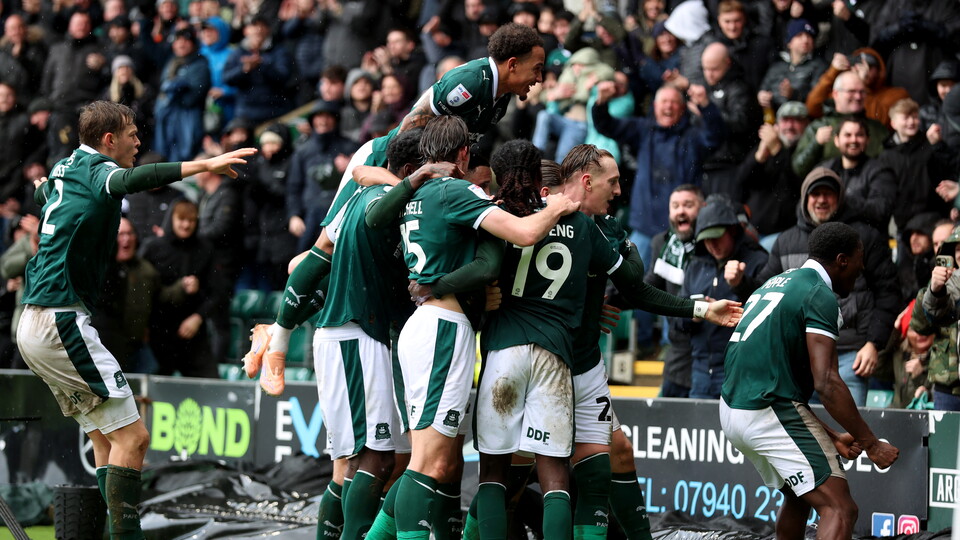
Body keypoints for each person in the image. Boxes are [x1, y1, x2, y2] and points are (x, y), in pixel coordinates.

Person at [16, 100, 253, 538]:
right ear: (109, 141)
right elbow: (137, 179)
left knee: (107, 439)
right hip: (59, 319)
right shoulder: (100, 173)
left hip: (36, 321)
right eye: (132, 133)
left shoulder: (68, 166)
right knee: (136, 438)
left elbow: (42, 192)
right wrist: (206, 164)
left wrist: (43, 188)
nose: (139, 141)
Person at [366, 116, 579, 540]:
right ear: (464, 154)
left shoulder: (417, 192)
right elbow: (520, 234)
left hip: (428, 327)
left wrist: (413, 180)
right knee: (429, 463)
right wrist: (556, 206)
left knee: (440, 462)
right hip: (442, 327)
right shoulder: (456, 190)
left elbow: (374, 217)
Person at [720, 221, 899, 539]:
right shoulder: (819, 293)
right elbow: (827, 383)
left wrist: (830, 435)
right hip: (765, 409)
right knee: (841, 509)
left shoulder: (776, 282)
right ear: (842, 260)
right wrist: (871, 444)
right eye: (858, 262)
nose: (860, 271)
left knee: (800, 495)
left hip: (733, 408)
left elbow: (783, 383)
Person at [749, 167, 900, 406]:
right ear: (804, 198)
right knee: (807, 439)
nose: (821, 199)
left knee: (848, 436)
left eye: (828, 193)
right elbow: (765, 290)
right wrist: (739, 283)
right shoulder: (786, 240)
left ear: (840, 198)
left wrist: (874, 344)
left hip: (852, 358)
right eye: (815, 193)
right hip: (799, 360)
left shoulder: (865, 238)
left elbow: (888, 293)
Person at [678, 196, 767, 398]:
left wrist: (741, 285)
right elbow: (676, 321)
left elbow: (768, 315)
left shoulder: (758, 261)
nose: (712, 245)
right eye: (706, 239)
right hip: (701, 371)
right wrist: (696, 313)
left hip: (743, 372)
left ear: (733, 230)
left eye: (717, 237)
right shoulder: (695, 266)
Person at [645, 184, 705, 397]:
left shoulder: (715, 242)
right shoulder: (661, 244)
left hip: (710, 354)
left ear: (703, 207)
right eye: (675, 206)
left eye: (688, 205)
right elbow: (648, 288)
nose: (681, 211)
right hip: (678, 352)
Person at [735, 101, 808, 250]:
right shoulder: (766, 146)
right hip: (754, 230)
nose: (790, 126)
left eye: (796, 120)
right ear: (777, 125)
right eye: (785, 120)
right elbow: (741, 180)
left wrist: (777, 150)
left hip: (787, 234)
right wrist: (759, 157)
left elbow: (796, 187)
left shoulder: (807, 151)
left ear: (807, 124)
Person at [791, 71, 888, 179]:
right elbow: (799, 169)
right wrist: (816, 144)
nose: (858, 96)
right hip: (828, 192)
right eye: (851, 91)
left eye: (862, 92)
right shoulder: (818, 127)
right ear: (835, 94)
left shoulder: (877, 129)